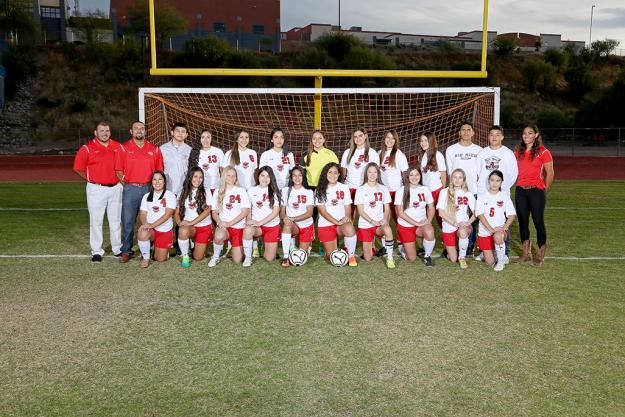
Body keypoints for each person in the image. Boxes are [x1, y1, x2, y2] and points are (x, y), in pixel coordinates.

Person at [73, 121, 122, 262]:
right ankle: (96, 251)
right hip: (96, 188)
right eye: (102, 131)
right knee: (96, 221)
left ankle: (117, 248)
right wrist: (91, 178)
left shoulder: (118, 147)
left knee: (116, 220)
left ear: (110, 132)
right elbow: (78, 168)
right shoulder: (87, 148)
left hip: (116, 188)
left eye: (107, 130)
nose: (105, 133)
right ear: (95, 132)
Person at [115, 121, 164, 263]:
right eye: (136, 128)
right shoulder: (123, 148)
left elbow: (159, 171)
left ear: (145, 131)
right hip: (130, 188)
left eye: (142, 128)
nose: (139, 131)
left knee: (150, 220)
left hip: (148, 189)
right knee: (128, 221)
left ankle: (147, 249)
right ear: (131, 131)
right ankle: (126, 251)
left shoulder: (154, 149)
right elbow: (118, 170)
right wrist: (129, 183)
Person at [514, 125, 554, 266]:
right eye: (524, 133)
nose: (527, 135)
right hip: (520, 191)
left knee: (538, 222)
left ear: (536, 135)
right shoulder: (518, 151)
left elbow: (550, 173)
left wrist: (543, 190)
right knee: (523, 222)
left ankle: (540, 254)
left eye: (530, 133)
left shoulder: (543, 152)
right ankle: (526, 254)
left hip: (536, 190)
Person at [476, 125, 518, 260]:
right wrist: (484, 191)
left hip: (501, 194)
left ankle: (504, 253)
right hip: (484, 193)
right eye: (492, 134)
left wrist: (501, 189)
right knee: (483, 222)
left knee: (502, 222)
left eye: (497, 134)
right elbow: (478, 172)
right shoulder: (483, 153)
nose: (494, 137)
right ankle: (485, 250)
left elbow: (513, 173)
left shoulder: (508, 153)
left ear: (502, 137)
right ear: (488, 136)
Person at [445, 121, 482, 256]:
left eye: (468, 130)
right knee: (457, 219)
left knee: (473, 220)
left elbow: (480, 172)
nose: (466, 132)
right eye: (463, 130)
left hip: (473, 191)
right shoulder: (451, 149)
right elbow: (450, 172)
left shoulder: (478, 150)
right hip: (457, 192)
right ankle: (454, 246)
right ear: (459, 133)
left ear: (472, 132)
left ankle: (470, 248)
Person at [314, 162, 358, 267]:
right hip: (326, 225)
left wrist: (347, 216)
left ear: (339, 175)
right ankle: (330, 248)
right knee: (332, 257)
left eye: (335, 173)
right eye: (330, 172)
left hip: (341, 223)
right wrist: (336, 222)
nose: (333, 175)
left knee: (349, 228)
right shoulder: (319, 190)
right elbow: (322, 211)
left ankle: (351, 256)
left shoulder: (344, 187)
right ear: (325, 174)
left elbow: (347, 206)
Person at [207, 166, 251, 267]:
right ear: (224, 177)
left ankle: (234, 244)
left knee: (237, 260)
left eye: (233, 176)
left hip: (238, 227)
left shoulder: (241, 191)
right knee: (218, 237)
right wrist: (219, 222)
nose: (231, 178)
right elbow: (214, 212)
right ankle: (216, 256)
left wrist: (229, 223)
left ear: (236, 177)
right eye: (228, 175)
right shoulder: (218, 191)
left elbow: (245, 212)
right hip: (224, 227)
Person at [354, 162, 395, 269]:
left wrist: (384, 219)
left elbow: (387, 208)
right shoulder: (361, 189)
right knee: (368, 258)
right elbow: (361, 211)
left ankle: (390, 258)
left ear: (378, 174)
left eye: (375, 172)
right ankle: (370, 248)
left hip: (379, 224)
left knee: (387, 229)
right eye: (370, 172)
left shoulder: (383, 188)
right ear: (366, 174)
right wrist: (372, 221)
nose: (372, 175)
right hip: (366, 224)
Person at [394, 167, 436, 266]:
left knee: (429, 231)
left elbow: (431, 208)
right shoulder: (401, 191)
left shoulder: (425, 189)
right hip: (406, 226)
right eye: (411, 175)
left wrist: (428, 221)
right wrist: (416, 223)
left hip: (421, 224)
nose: (414, 177)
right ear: (407, 177)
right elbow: (400, 213)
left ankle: (427, 256)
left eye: (417, 174)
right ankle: (401, 245)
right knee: (411, 258)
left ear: (420, 176)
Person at [476, 170, 517, 272]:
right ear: (488, 181)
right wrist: (490, 229)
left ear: (501, 182)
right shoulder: (481, 197)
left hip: (499, 231)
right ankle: (489, 253)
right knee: (489, 263)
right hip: (485, 231)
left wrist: (504, 227)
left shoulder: (504, 197)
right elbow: (480, 215)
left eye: (498, 181)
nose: (494, 183)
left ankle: (501, 262)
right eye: (492, 180)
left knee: (498, 236)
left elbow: (511, 215)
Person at [436, 169, 477, 269]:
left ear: (464, 180)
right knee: (453, 259)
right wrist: (455, 223)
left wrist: (468, 222)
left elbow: (477, 212)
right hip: (449, 226)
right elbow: (441, 213)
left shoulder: (468, 194)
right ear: (451, 179)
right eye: (455, 177)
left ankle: (462, 257)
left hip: (463, 226)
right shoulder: (444, 192)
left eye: (460, 177)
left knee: (463, 232)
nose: (457, 180)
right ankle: (451, 250)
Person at [242, 166, 282, 266]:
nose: (264, 179)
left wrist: (260, 222)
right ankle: (248, 257)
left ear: (271, 178)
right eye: (262, 175)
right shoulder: (251, 190)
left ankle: (261, 243)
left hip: (271, 226)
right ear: (258, 177)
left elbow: (275, 212)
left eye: (268, 176)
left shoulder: (274, 191)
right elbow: (249, 209)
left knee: (269, 258)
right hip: (257, 227)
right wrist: (249, 220)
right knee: (247, 230)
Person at [174, 167, 213, 267]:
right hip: (190, 227)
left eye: (201, 177)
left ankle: (199, 244)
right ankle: (185, 256)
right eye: (195, 176)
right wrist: (179, 223)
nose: (198, 179)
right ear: (190, 177)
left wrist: (191, 222)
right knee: (183, 230)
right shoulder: (182, 192)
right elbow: (176, 212)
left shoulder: (207, 192)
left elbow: (207, 211)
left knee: (198, 257)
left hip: (203, 227)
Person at [136, 171, 176, 267]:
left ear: (164, 182)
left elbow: (167, 215)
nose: (157, 182)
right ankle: (146, 258)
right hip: (151, 230)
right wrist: (145, 224)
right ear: (151, 181)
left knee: (160, 259)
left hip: (164, 230)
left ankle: (159, 249)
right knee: (143, 232)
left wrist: (151, 225)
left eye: (160, 179)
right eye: (154, 179)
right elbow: (143, 213)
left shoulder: (170, 195)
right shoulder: (147, 196)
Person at [340, 127, 380, 217]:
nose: (358, 139)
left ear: (365, 136)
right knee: (349, 215)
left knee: (369, 214)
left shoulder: (372, 153)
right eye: (355, 137)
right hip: (350, 187)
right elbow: (344, 173)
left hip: (366, 188)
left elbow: (376, 172)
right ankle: (350, 231)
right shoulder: (347, 152)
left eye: (360, 136)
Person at [280, 166, 315, 267]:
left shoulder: (308, 192)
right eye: (294, 175)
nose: (297, 178)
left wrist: (293, 218)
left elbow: (309, 213)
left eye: (300, 175)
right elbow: (282, 211)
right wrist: (285, 218)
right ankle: (286, 257)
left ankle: (306, 246)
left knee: (301, 258)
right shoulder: (285, 191)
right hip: (292, 224)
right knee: (287, 224)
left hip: (306, 225)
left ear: (303, 177)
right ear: (291, 177)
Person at [417, 131, 447, 226]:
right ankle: (427, 232)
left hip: (436, 189)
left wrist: (442, 190)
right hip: (426, 190)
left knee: (440, 215)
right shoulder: (421, 156)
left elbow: (443, 174)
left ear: (431, 141)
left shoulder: (438, 155)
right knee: (426, 213)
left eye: (426, 140)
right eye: (421, 141)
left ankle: (445, 233)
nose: (423, 143)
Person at [160, 122, 192, 197]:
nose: (180, 133)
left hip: (184, 190)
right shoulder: (162, 149)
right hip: (167, 189)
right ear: (172, 132)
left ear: (187, 135)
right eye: (177, 131)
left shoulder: (190, 150)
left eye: (183, 131)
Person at [187, 129, 224, 194]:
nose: (205, 140)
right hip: (201, 188)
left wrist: (223, 186)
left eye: (208, 137)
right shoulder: (195, 153)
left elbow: (223, 171)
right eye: (203, 137)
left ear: (211, 138)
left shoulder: (218, 152)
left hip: (217, 187)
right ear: (200, 139)